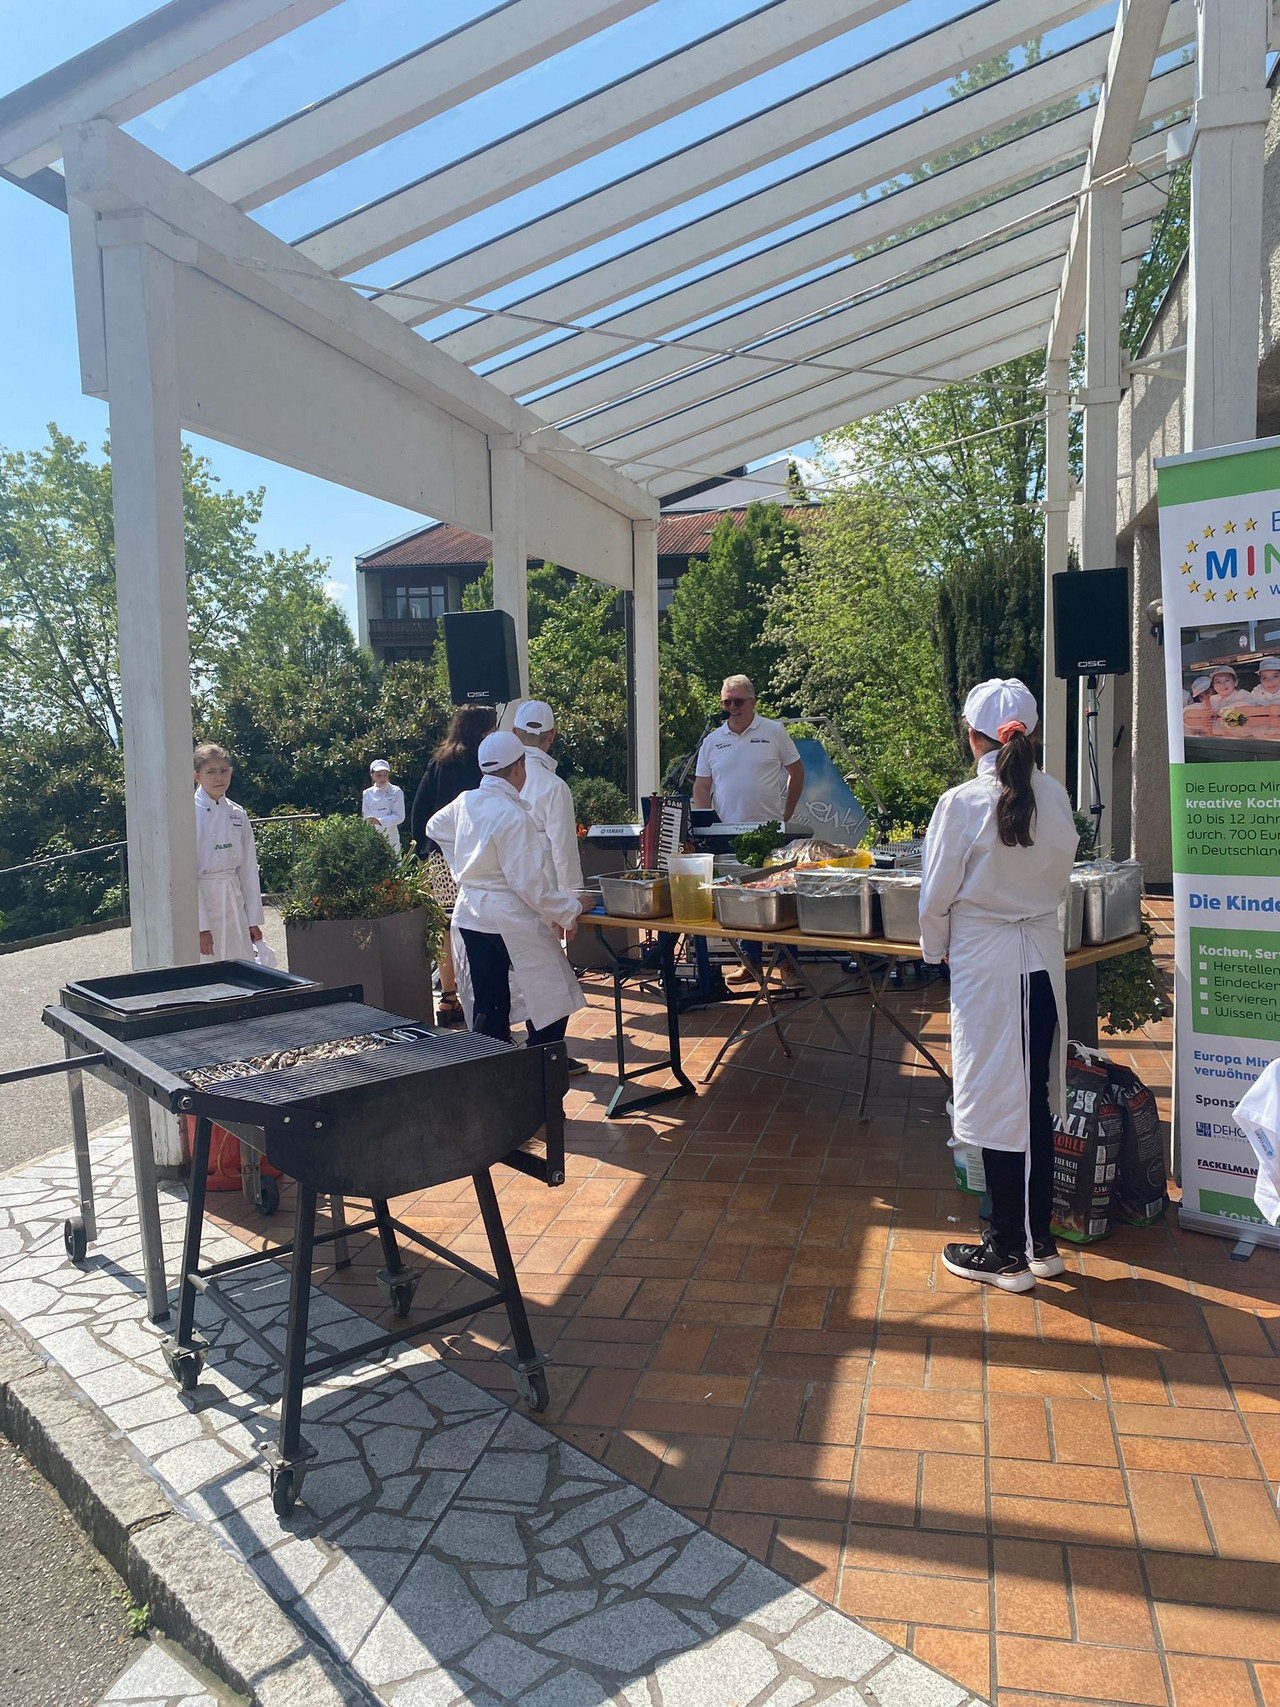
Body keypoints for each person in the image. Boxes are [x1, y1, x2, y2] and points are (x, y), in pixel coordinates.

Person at [919, 679, 1078, 1293]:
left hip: (989, 964)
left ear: (973, 735)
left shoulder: (962, 802)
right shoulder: (1055, 795)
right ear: (1030, 734)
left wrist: (934, 949)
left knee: (1001, 1101)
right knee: (1029, 1098)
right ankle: (1039, 1244)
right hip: (1039, 956)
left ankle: (1008, 1249)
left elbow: (935, 895)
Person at [426, 731, 585, 1054]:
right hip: (508, 916)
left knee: (489, 1002)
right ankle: (540, 1065)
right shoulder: (513, 815)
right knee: (554, 993)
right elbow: (530, 884)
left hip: (471, 914)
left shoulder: (466, 801)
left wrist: (466, 866)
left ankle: (495, 1069)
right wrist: (571, 908)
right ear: (518, 767)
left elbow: (434, 826)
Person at [410, 707, 496, 1024]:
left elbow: (419, 812)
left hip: (439, 856)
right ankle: (480, 994)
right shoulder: (485, 764)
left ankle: (448, 998)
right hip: (475, 855)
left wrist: (425, 853)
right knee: (477, 924)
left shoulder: (439, 762)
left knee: (445, 926)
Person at [692, 675, 805, 825]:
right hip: (725, 828)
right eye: (727, 702)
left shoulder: (774, 731)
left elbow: (797, 771)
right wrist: (707, 825)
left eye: (738, 702)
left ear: (752, 702)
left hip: (768, 827)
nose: (732, 707)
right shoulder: (711, 741)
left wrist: (788, 813)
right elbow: (701, 786)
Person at [194, 742, 264, 961]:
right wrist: (201, 926)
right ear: (197, 776)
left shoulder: (237, 813)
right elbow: (185, 872)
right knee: (208, 966)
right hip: (204, 899)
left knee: (240, 964)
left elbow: (248, 869)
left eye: (224, 770)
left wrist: (252, 920)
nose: (219, 777)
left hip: (233, 901)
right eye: (211, 772)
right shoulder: (188, 813)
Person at [362, 761, 405, 852]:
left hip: (391, 835)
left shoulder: (396, 791)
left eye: (385, 774)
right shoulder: (367, 793)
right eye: (379, 775)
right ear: (372, 775)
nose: (382, 778)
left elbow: (400, 816)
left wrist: (380, 821)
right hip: (373, 835)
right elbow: (366, 816)